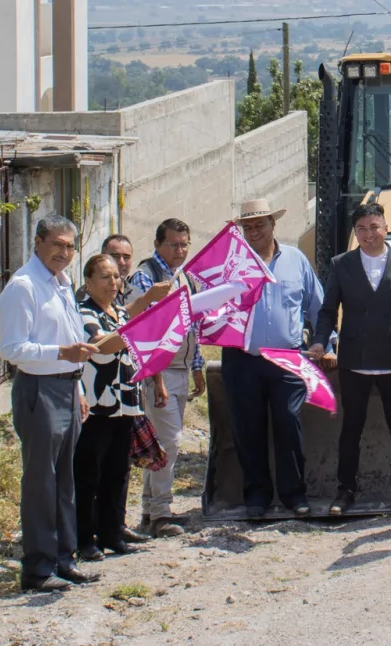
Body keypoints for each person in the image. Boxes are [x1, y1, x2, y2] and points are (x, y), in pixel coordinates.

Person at [0, 215, 99, 593]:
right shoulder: (23, 287)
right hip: (38, 390)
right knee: (41, 482)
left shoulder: (61, 282)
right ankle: (38, 568)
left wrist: (78, 390)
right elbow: (12, 349)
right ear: (38, 242)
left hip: (66, 388)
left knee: (65, 480)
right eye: (57, 244)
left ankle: (64, 559)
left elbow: (72, 337)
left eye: (71, 246)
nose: (65, 253)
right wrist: (62, 353)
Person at [309, 203, 391, 514]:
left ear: (386, 229)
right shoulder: (341, 264)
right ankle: (345, 489)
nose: (368, 234)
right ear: (355, 233)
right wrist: (321, 341)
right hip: (354, 359)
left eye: (374, 227)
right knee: (352, 426)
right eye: (361, 229)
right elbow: (327, 311)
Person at [224, 198, 325, 518]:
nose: (254, 231)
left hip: (287, 358)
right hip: (242, 358)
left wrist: (327, 342)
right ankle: (256, 497)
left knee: (288, 425)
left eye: (260, 225)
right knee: (247, 428)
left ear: (273, 225)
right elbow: (212, 310)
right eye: (248, 227)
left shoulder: (296, 261)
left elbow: (317, 306)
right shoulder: (231, 265)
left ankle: (294, 495)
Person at [124, 218, 205, 537]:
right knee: (169, 443)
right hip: (158, 375)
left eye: (185, 244)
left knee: (161, 443)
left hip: (180, 370)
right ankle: (160, 513)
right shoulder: (146, 278)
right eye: (173, 244)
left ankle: (151, 511)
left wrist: (197, 367)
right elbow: (143, 334)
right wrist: (156, 380)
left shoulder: (184, 277)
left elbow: (191, 326)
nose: (180, 250)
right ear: (158, 244)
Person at [74, 254, 145, 562]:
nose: (113, 283)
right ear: (88, 282)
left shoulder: (120, 312)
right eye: (105, 277)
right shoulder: (83, 312)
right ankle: (84, 538)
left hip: (125, 405)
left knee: (117, 473)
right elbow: (100, 345)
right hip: (96, 406)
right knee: (89, 475)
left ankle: (111, 532)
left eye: (116, 276)